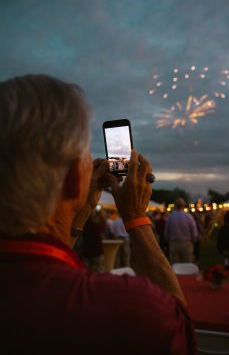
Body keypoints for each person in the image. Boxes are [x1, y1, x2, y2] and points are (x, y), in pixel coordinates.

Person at [0, 75, 196, 355]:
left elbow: (42, 262)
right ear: (71, 179)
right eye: (83, 154)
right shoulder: (129, 306)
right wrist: (136, 216)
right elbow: (182, 335)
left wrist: (82, 209)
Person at [164, 198, 198, 263]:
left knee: (175, 266)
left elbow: (166, 232)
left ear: (175, 205)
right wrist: (193, 240)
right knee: (187, 265)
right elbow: (194, 231)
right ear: (184, 205)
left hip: (174, 243)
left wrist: (167, 240)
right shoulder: (189, 217)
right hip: (187, 243)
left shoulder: (170, 217)